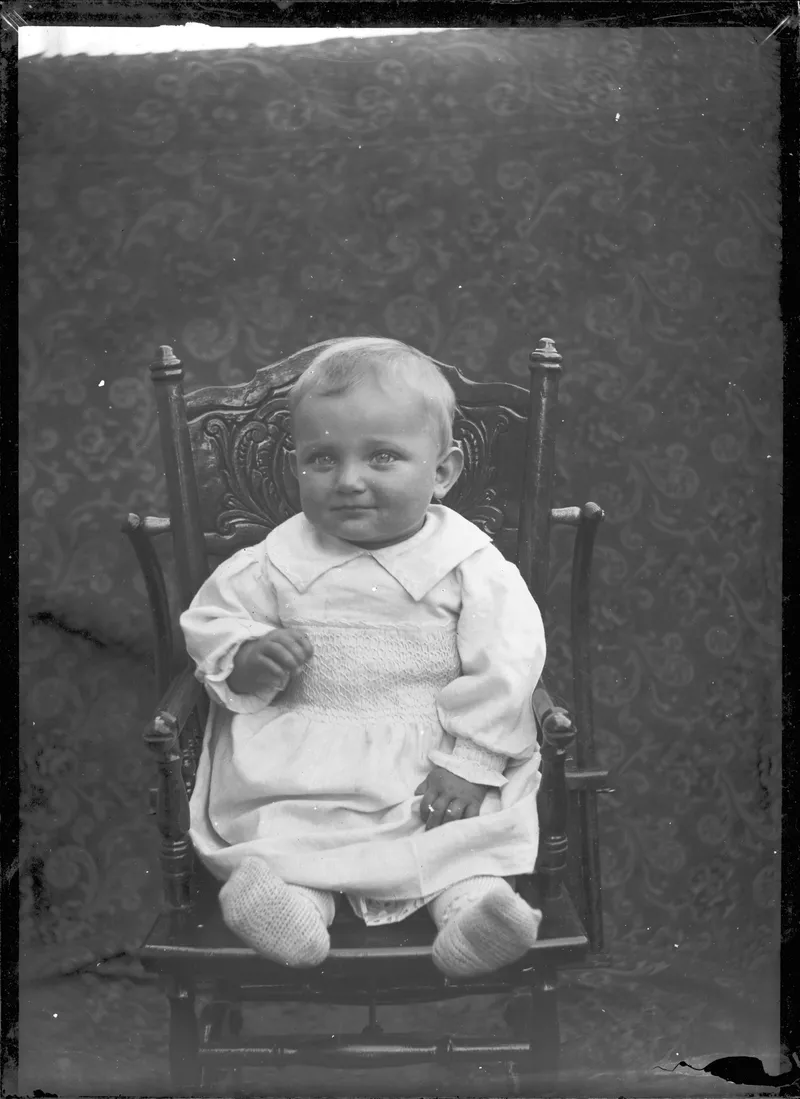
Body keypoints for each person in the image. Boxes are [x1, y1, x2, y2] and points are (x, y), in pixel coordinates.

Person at [180, 336, 547, 978]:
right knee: (288, 830)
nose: (349, 481)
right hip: (303, 761)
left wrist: (472, 760)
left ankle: (473, 909)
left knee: (459, 836)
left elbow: (509, 664)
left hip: (431, 761)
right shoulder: (274, 561)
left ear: (442, 472)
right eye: (322, 458)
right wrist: (248, 656)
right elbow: (211, 620)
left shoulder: (470, 565)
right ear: (296, 466)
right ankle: (294, 906)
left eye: (383, 456)